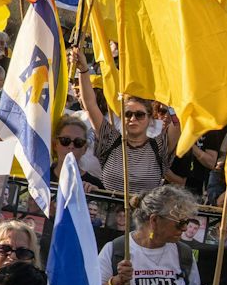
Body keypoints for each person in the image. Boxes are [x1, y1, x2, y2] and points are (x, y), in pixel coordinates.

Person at [73, 52, 177, 197]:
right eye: (128, 114)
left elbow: (179, 122)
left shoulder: (158, 147)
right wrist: (84, 70)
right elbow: (90, 105)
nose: (133, 118)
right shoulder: (110, 141)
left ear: (149, 118)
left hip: (143, 216)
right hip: (110, 215)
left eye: (139, 115)